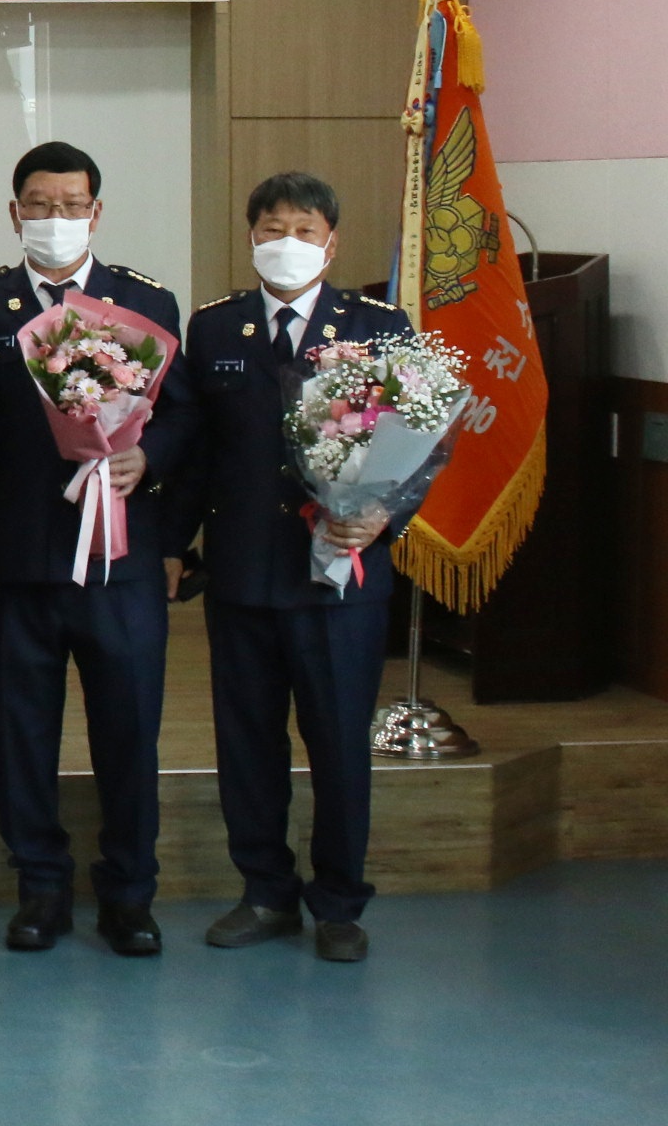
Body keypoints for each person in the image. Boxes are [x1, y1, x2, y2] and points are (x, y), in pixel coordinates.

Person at [0, 141, 196, 958]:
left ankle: (129, 893)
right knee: (21, 735)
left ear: (95, 213)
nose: (53, 219)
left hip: (120, 560)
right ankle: (40, 889)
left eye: (70, 205)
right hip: (16, 557)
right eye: (38, 204)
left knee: (128, 733)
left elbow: (186, 415)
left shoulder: (144, 300)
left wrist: (148, 457)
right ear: (13, 212)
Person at [181, 171, 411, 964]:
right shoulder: (215, 327)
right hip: (243, 572)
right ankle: (265, 893)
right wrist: (176, 545)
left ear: (331, 242)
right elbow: (197, 449)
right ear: (251, 239)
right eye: (273, 229)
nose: (288, 242)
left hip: (340, 575)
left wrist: (385, 516)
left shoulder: (379, 326)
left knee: (340, 745)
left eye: (304, 230)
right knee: (248, 744)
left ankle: (340, 902)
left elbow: (417, 445)